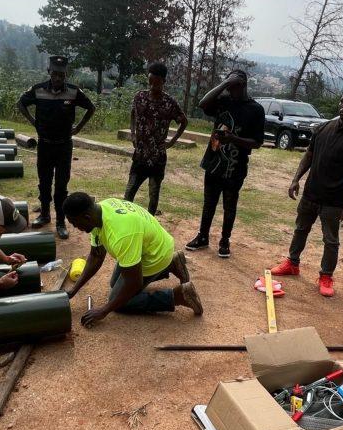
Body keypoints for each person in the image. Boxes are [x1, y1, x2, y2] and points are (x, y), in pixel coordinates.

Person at [271, 87, 343, 297]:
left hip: (334, 200)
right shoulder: (323, 128)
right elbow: (308, 155)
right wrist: (295, 179)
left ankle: (326, 276)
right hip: (310, 193)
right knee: (300, 229)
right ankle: (292, 263)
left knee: (331, 240)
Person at [62, 191, 204, 327]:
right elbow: (96, 255)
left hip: (155, 255)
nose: (75, 227)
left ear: (86, 217)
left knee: (121, 302)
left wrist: (104, 310)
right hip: (149, 246)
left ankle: (179, 295)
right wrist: (74, 289)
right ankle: (172, 263)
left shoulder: (121, 234)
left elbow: (134, 283)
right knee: (114, 284)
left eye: (75, 223)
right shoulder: (99, 212)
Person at [185, 69, 265, 259]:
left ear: (243, 84)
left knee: (229, 205)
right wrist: (223, 84)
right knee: (209, 203)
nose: (231, 90)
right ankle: (203, 237)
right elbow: (202, 103)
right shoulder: (223, 101)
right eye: (229, 86)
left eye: (235, 85)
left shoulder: (255, 109)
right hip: (214, 162)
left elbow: (257, 142)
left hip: (235, 167)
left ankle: (224, 240)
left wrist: (233, 139)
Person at [17, 55, 95, 240]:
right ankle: (44, 215)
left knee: (61, 186)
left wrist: (78, 128)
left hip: (64, 147)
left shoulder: (74, 92)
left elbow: (91, 108)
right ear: (49, 72)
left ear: (66, 74)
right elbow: (20, 103)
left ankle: (61, 221)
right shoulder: (38, 90)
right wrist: (33, 121)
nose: (58, 78)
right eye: (55, 74)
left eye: (61, 75)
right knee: (44, 183)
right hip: (44, 145)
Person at [125, 62, 188, 215]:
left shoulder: (170, 103)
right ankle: (125, 221)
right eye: (150, 81)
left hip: (157, 157)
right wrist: (133, 133)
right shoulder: (139, 97)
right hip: (139, 155)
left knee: (153, 195)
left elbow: (184, 121)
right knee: (128, 194)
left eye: (157, 82)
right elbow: (133, 114)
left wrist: (172, 141)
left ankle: (150, 224)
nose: (153, 85)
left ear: (163, 82)